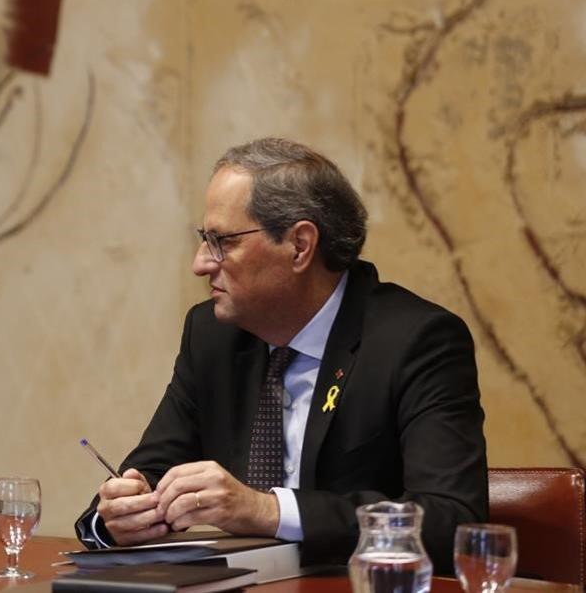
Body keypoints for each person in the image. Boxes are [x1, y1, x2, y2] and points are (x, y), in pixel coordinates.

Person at [74, 138, 487, 573]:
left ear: (299, 245)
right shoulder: (212, 335)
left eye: (222, 241)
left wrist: (268, 511)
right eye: (204, 240)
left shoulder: (415, 340)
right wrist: (118, 518)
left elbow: (452, 522)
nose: (200, 263)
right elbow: (147, 474)